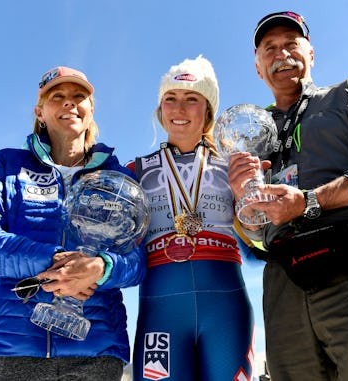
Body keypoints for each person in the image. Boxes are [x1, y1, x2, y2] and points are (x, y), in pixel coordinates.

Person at [228, 11, 348, 380]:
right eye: (269, 48)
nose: (281, 54)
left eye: (290, 44)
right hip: (284, 282)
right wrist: (245, 203)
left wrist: (308, 201)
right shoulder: (249, 132)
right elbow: (255, 240)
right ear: (257, 67)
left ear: (311, 54)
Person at [0, 66, 146, 381]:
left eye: (78, 96)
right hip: (10, 351)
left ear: (91, 109)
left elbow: (138, 260)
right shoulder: (8, 165)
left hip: (95, 354)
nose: (69, 103)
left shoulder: (119, 179)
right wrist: (56, 260)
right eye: (57, 96)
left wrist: (101, 267)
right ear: (39, 111)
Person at [129, 56, 255, 381]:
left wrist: (251, 198)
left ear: (208, 111)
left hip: (226, 307)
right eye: (170, 99)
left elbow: (259, 244)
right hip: (162, 308)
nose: (179, 109)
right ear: (160, 110)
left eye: (191, 99)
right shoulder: (133, 172)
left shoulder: (235, 166)